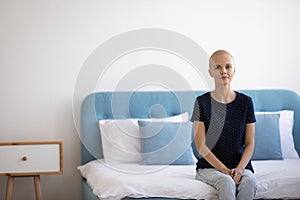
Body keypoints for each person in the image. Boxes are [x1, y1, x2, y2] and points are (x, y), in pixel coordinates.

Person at [191, 50, 257, 200]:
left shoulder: (246, 102)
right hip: (209, 167)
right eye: (217, 67)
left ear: (234, 70)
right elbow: (200, 145)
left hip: (240, 166)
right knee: (227, 182)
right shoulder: (201, 102)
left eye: (228, 67)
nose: (223, 71)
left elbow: (250, 143)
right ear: (210, 72)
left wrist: (240, 169)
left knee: (250, 182)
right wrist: (224, 170)